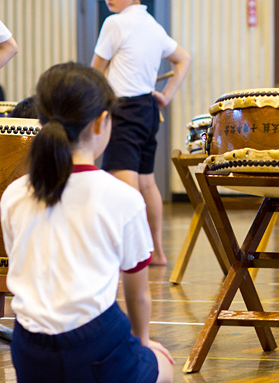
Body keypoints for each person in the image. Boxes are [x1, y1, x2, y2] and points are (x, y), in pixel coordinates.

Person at [0, 62, 174, 383]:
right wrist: (143, 342)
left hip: (28, 348)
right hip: (95, 346)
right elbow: (138, 294)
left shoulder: (13, 194)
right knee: (164, 365)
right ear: (101, 122)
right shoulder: (122, 197)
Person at [92, 0, 192, 266]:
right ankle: (156, 252)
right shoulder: (154, 26)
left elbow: (94, 73)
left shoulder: (115, 24)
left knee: (125, 184)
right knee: (146, 182)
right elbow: (184, 59)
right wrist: (166, 96)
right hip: (147, 110)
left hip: (122, 111)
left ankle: (133, 255)